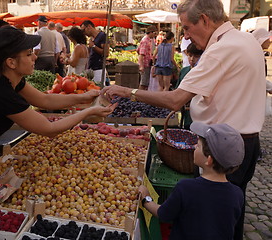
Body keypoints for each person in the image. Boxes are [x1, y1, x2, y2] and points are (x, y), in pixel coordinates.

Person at [101, 1, 265, 239]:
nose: (185, 36)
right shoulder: (246, 40)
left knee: (203, 223)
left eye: (187, 28)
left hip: (220, 148)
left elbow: (175, 100)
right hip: (244, 145)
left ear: (205, 20)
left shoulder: (223, 48)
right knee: (229, 219)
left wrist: (129, 92)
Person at [0, 26, 116, 205]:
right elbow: (49, 130)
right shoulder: (1, 92)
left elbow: (45, 100)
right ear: (11, 62)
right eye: (28, 54)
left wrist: (83, 97)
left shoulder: (10, 80)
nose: (35, 56)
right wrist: (88, 111)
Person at [139, 122, 244, 240]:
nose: (194, 147)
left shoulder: (186, 188)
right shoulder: (237, 194)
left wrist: (146, 199)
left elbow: (163, 214)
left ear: (208, 160)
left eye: (198, 146)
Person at [175, 43, 203, 129]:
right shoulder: (184, 71)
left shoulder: (203, 73)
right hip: (185, 113)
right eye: (190, 56)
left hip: (198, 115)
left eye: (196, 56)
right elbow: (177, 90)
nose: (192, 59)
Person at [80, 20, 109, 86]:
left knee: (98, 89)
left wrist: (93, 46)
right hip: (91, 69)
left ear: (89, 27)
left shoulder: (102, 36)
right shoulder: (91, 39)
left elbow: (106, 53)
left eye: (83, 30)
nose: (84, 33)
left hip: (98, 69)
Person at [137, 25, 157, 90]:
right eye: (154, 33)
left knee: (146, 83)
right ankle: (139, 97)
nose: (155, 35)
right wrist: (141, 66)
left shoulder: (149, 40)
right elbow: (141, 54)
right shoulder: (145, 41)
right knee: (144, 83)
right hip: (145, 64)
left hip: (148, 63)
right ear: (151, 32)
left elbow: (138, 50)